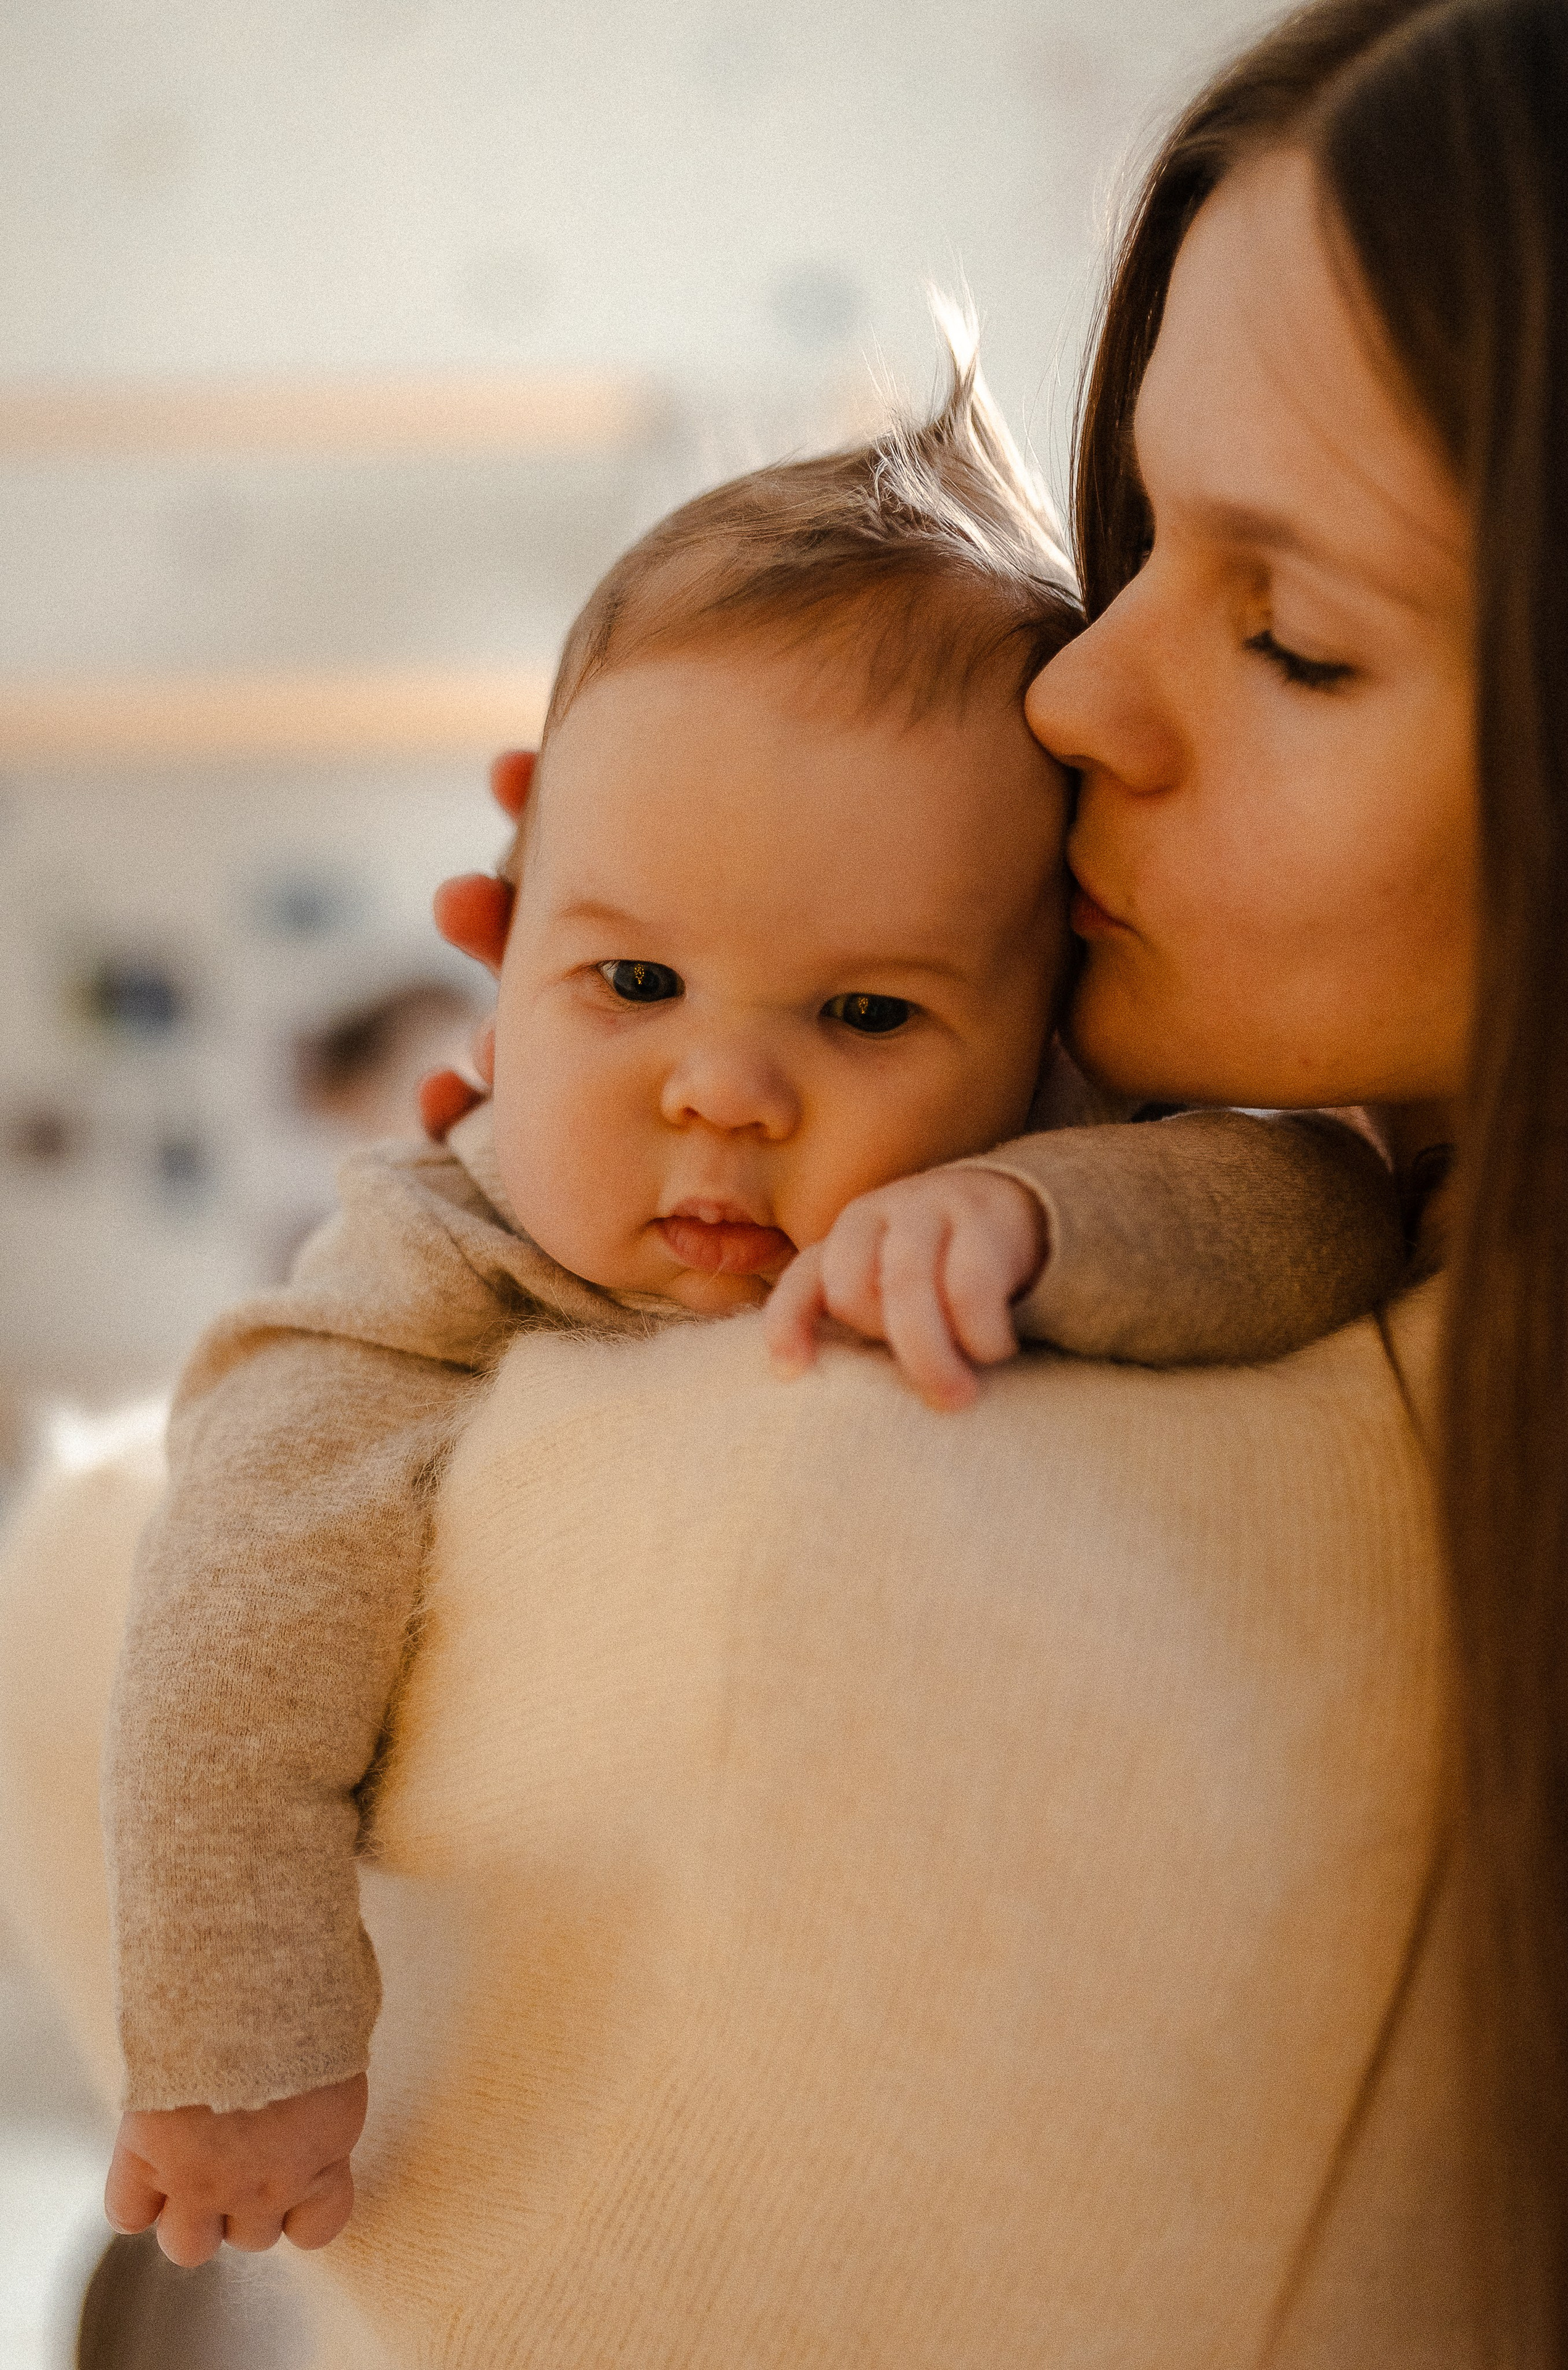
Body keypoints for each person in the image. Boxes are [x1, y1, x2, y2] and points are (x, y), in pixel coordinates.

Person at [98, 344, 1401, 2273]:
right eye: (628, 983)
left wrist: (1045, 1213)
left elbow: (1320, 1213)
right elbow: (235, 1620)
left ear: (1044, 1015)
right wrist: (237, 2045)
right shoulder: (427, 1264)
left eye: (866, 1013)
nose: (719, 1089)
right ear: (507, 923)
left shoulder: (1046, 1150)